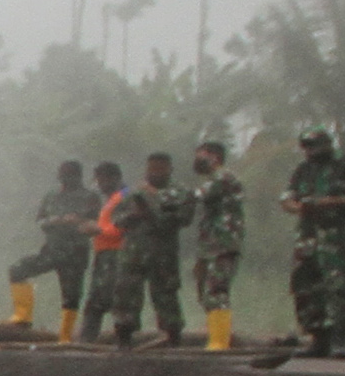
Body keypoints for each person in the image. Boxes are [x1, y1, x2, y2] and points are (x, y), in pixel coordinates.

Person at [279, 125, 345, 359]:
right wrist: (301, 207)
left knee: (338, 286)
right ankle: (318, 338)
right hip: (308, 237)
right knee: (305, 286)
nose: (311, 152)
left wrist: (331, 202)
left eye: (315, 146)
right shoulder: (303, 170)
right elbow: (286, 200)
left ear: (327, 144)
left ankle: (340, 338)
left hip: (338, 236)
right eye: (307, 147)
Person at [6, 159, 89, 334]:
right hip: (52, 249)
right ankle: (23, 317)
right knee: (18, 269)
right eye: (63, 174)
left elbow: (97, 221)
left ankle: (65, 335)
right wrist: (55, 221)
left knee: (71, 295)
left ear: (79, 176)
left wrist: (78, 222)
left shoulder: (89, 197)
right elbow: (41, 220)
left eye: (70, 174)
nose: (66, 178)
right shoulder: (51, 196)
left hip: (76, 252)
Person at [123, 149, 190, 346]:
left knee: (166, 295)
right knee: (127, 294)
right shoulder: (134, 191)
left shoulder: (180, 191)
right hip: (134, 252)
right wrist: (132, 216)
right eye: (152, 169)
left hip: (163, 252)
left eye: (161, 169)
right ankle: (124, 336)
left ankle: (173, 337)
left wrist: (154, 199)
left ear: (170, 169)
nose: (155, 173)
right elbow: (117, 216)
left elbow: (184, 216)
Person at [188, 140, 245, 350]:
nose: (196, 160)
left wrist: (155, 195)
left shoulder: (223, 177)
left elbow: (193, 197)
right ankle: (219, 334)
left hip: (223, 242)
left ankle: (219, 343)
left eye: (200, 155)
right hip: (209, 244)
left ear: (214, 156)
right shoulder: (213, 179)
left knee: (216, 289)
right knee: (205, 289)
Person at [80, 158, 143, 343]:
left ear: (115, 177)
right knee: (96, 301)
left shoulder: (126, 197)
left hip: (119, 256)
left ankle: (124, 342)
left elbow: (127, 227)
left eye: (102, 180)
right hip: (104, 255)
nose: (99, 184)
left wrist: (99, 230)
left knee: (119, 300)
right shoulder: (110, 200)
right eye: (97, 180)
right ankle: (87, 342)